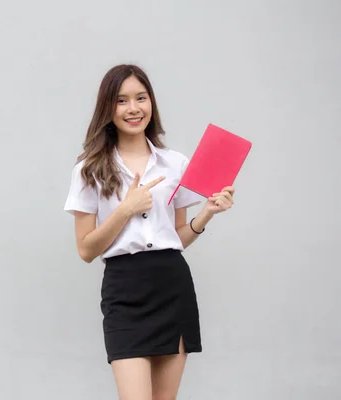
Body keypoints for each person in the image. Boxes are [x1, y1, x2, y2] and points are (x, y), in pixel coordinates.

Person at [63, 64, 235, 400]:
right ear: (107, 108)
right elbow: (86, 250)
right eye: (122, 100)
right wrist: (125, 209)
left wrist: (208, 214)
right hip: (124, 291)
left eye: (141, 98)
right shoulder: (89, 169)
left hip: (171, 286)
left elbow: (178, 236)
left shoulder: (175, 164)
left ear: (151, 103)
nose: (133, 108)